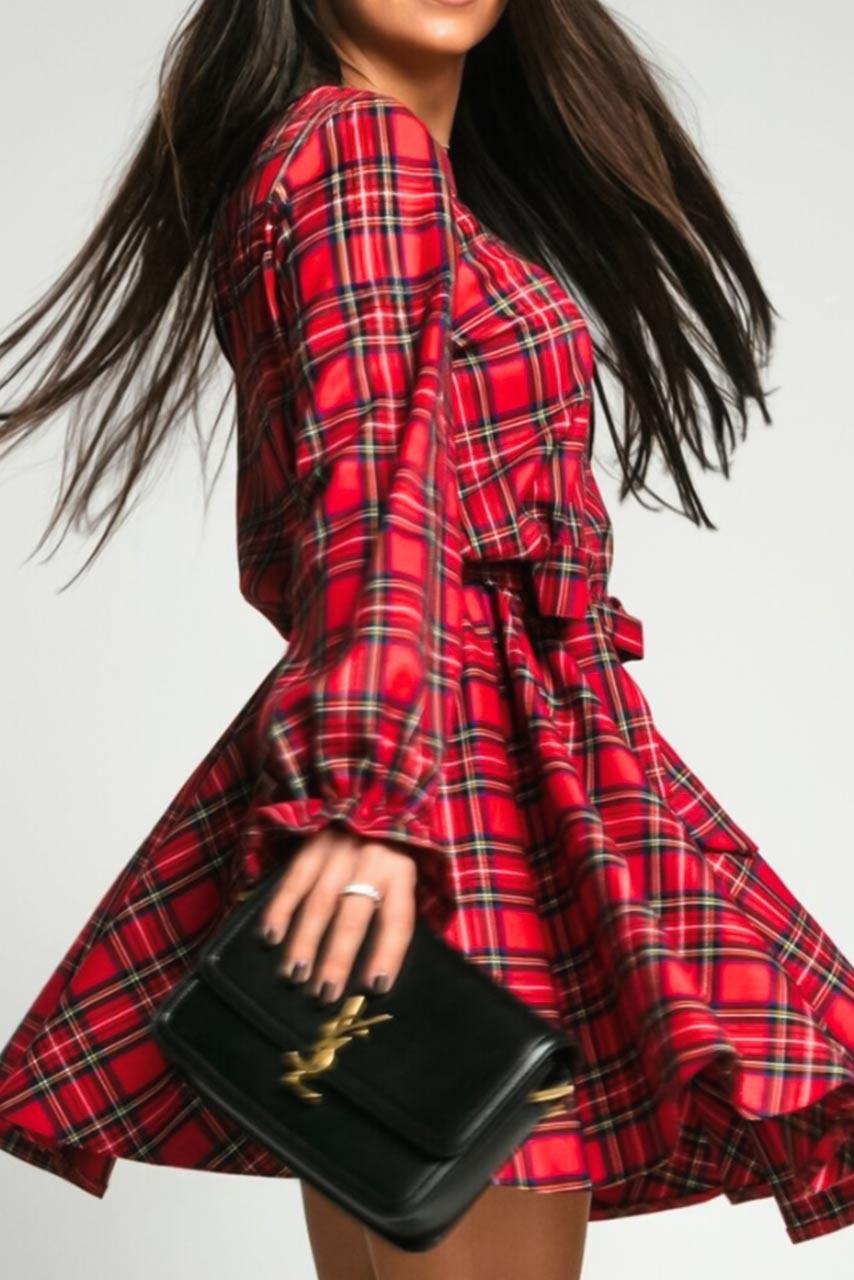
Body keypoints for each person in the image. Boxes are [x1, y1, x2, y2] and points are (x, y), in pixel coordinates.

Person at [0, 2, 852, 1277]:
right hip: (450, 774)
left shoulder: (348, 161)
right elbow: (368, 492)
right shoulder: (358, 152)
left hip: (462, 752)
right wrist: (362, 800)